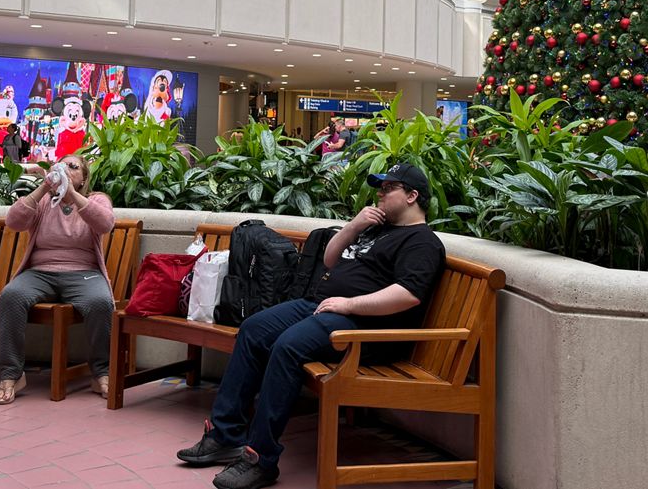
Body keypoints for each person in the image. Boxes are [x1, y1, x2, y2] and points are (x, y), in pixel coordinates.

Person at [175, 163, 446, 489]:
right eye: (380, 188)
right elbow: (330, 259)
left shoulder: (422, 242)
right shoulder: (375, 228)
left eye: (388, 188)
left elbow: (408, 295)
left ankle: (260, 458)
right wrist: (354, 226)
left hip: (360, 328)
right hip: (323, 308)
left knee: (288, 346)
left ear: (412, 196)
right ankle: (225, 435)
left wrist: (348, 304)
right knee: (254, 329)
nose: (380, 194)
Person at [0, 153, 117, 404]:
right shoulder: (43, 201)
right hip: (40, 272)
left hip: (83, 273)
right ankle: (11, 375)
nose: (65, 169)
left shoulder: (96, 199)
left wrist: (72, 194)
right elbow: (13, 222)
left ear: (83, 178)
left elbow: (105, 224)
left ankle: (101, 372)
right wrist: (43, 188)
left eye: (73, 166)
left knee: (101, 303)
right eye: (61, 164)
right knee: (11, 297)